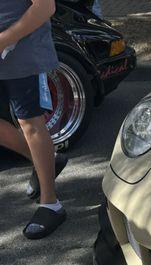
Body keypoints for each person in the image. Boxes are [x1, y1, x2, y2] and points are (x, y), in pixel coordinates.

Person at [0, 0, 68, 240]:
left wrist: (4, 39)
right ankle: (46, 160)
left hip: (23, 55)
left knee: (30, 124)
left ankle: (51, 204)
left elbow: (45, 7)